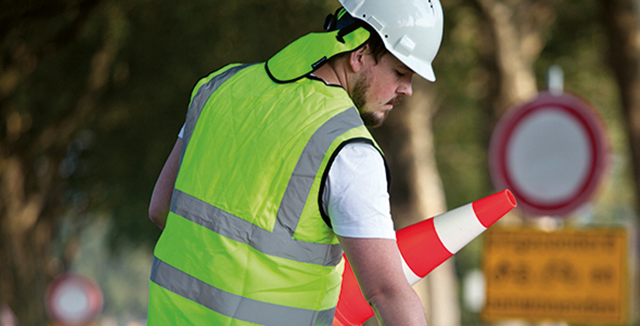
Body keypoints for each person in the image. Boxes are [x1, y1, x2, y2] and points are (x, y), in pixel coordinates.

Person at [145, 0, 443, 325]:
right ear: (359, 54)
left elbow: (161, 208)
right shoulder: (349, 149)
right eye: (400, 72)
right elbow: (387, 291)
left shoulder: (219, 87)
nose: (408, 90)